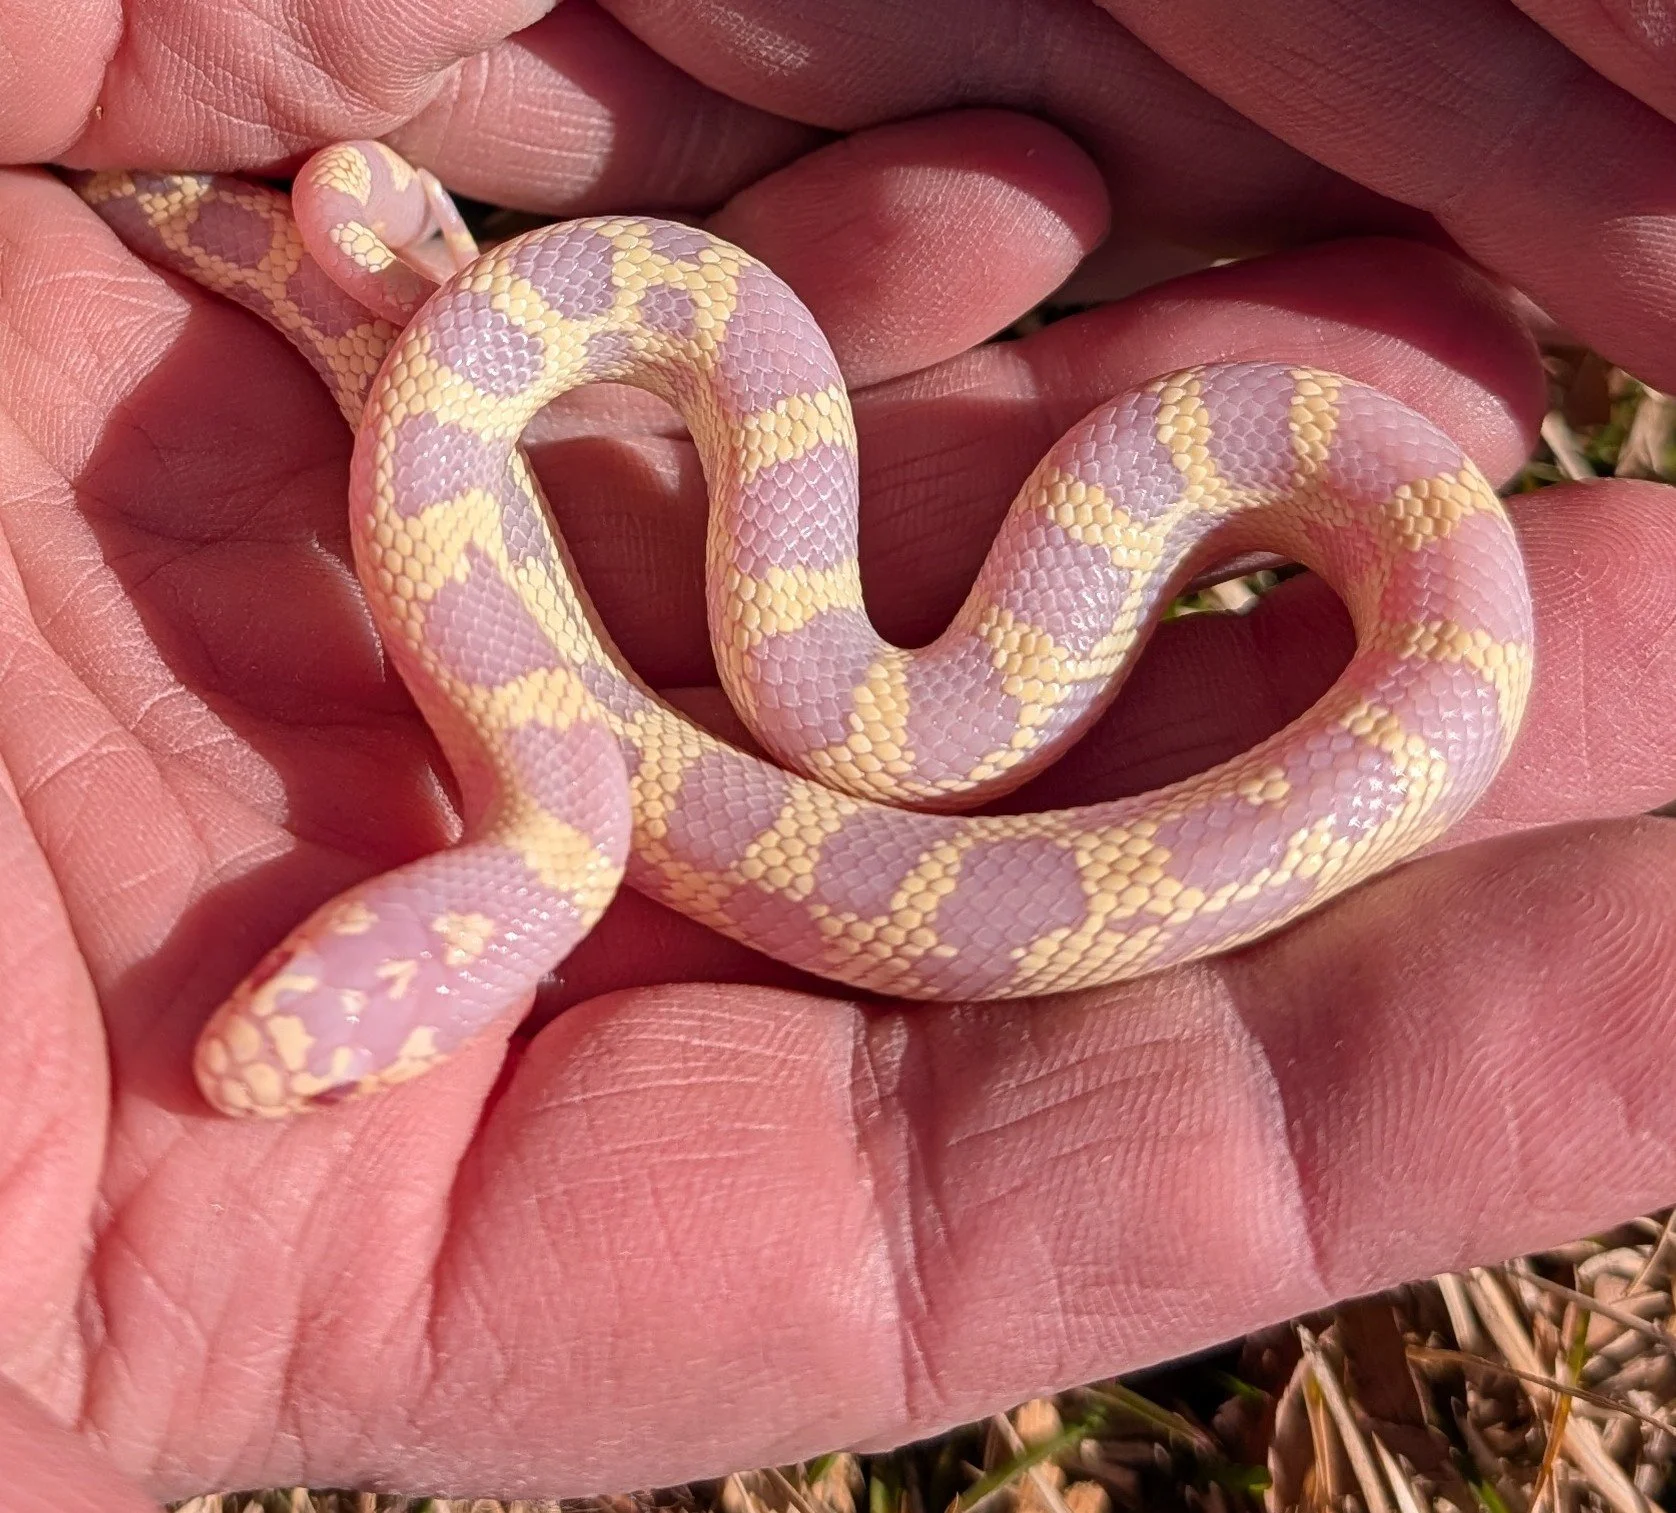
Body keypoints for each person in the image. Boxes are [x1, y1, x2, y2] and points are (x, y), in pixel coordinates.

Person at [4, 2, 1674, 1505]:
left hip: (684, 442)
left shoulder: (560, 771)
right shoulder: (559, 797)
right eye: (339, 1053)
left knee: (869, 699)